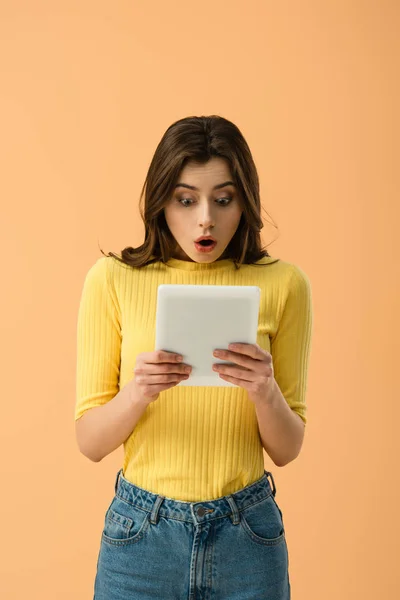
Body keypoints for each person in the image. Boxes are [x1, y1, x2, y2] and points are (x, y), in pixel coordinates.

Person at [75, 115, 313, 599]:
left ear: (244, 202)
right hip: (141, 535)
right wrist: (138, 392)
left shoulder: (285, 284)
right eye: (186, 200)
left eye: (223, 200)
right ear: (161, 201)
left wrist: (265, 392)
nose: (205, 218)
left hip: (247, 534)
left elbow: (287, 451)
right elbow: (89, 441)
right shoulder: (112, 279)